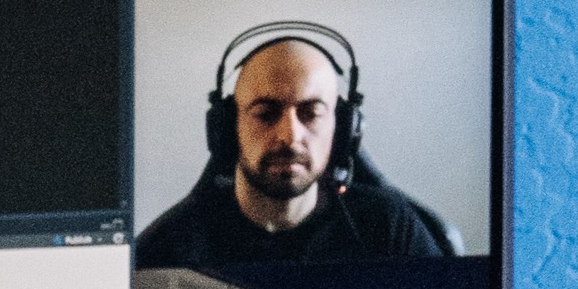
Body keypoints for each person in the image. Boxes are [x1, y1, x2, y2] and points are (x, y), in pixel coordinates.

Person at [134, 25, 456, 266]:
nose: (289, 137)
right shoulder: (169, 249)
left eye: (311, 113)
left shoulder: (389, 229)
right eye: (265, 113)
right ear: (228, 127)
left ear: (343, 129)